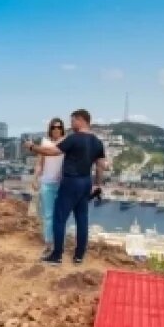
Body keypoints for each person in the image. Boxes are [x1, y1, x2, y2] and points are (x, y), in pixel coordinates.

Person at [26, 109, 106, 265]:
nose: (71, 124)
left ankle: (56, 256)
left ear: (81, 120)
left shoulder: (73, 139)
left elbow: (51, 151)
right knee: (82, 219)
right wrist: (97, 184)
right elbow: (101, 165)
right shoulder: (97, 142)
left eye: (73, 120)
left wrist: (31, 147)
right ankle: (79, 256)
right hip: (86, 182)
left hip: (71, 182)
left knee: (59, 218)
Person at [33, 118, 67, 255]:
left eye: (59, 127)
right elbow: (40, 163)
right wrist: (35, 179)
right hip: (47, 183)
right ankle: (48, 244)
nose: (56, 129)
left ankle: (59, 244)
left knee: (60, 216)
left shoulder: (66, 142)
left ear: (62, 128)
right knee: (48, 215)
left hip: (61, 184)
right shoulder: (45, 143)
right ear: (50, 129)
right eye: (54, 127)